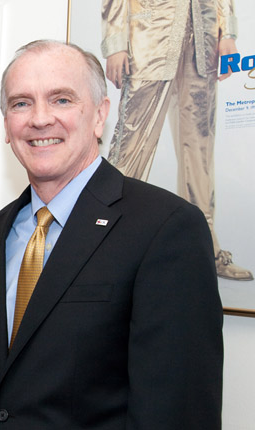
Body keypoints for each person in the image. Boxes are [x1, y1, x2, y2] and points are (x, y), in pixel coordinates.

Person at [0, 40, 223, 429]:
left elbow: (179, 411)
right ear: (6, 123)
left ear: (100, 115)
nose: (39, 119)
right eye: (21, 103)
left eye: (61, 100)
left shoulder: (166, 228)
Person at [101, 0, 251, 280]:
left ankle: (205, 250)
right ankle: (101, 243)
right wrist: (116, 41)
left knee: (200, 150)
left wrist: (227, 34)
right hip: (150, 35)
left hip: (204, 38)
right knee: (131, 146)